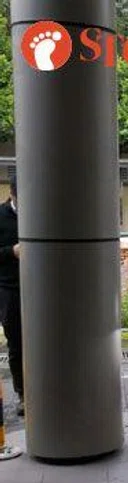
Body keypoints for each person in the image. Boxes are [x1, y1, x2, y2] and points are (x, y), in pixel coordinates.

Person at [0, 177, 23, 416]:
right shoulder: (1, 216)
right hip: (9, 288)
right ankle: (23, 394)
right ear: (12, 194)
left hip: (39, 290)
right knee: (16, 343)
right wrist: (11, 252)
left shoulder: (39, 212)